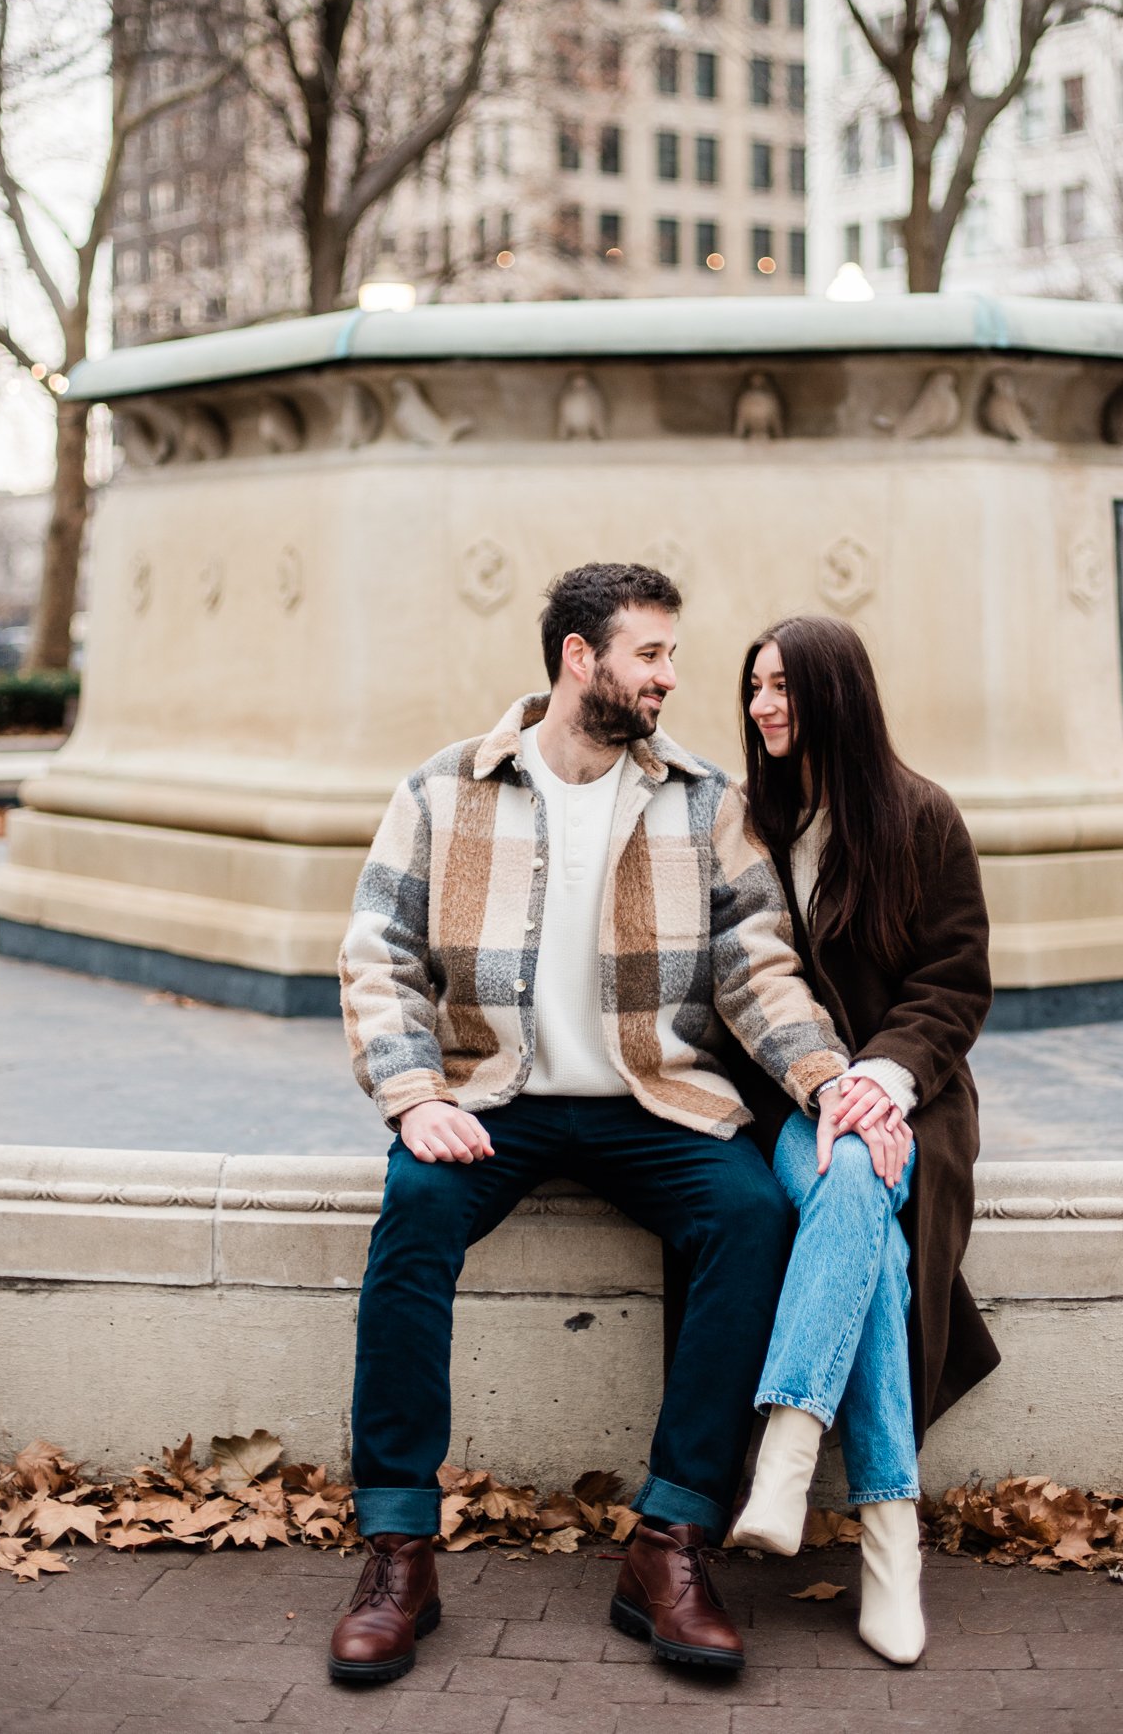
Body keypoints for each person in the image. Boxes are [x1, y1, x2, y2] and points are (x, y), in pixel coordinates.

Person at [330, 563, 855, 1686]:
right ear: (582, 659)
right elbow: (379, 955)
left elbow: (757, 971)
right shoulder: (442, 791)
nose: (671, 676)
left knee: (752, 1217)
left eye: (671, 654)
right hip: (489, 1099)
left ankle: (668, 1543)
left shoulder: (704, 800)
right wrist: (415, 1097)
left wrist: (826, 1081)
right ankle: (398, 1552)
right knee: (413, 1213)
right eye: (651, 654)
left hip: (649, 1099)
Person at [727, 616, 999, 1665]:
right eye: (754, 687)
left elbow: (953, 980)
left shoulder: (921, 818)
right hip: (788, 1103)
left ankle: (789, 1446)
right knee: (858, 1213)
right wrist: (826, 1087)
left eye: (784, 687)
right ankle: (891, 1541)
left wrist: (883, 1080)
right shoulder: (749, 824)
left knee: (860, 1185)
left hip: (909, 1103)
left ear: (838, 693)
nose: (763, 707)